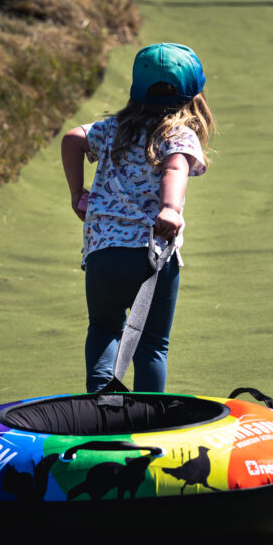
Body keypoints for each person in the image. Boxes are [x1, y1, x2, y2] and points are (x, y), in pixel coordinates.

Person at [60, 43, 215, 393]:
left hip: (103, 253)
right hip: (151, 254)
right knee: (151, 345)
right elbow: (174, 167)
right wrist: (170, 209)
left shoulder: (112, 129)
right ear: (194, 98)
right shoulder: (178, 134)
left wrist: (77, 193)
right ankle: (148, 421)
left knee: (103, 329)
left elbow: (72, 139)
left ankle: (101, 409)